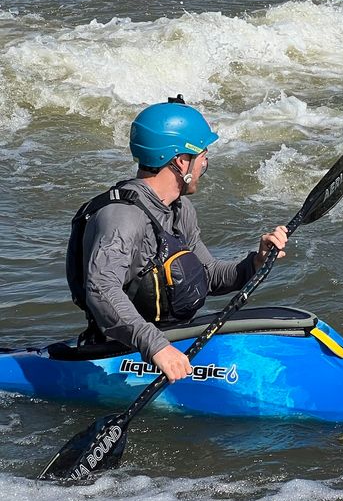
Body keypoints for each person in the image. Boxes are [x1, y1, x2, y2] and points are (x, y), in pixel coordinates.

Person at [66, 97, 288, 382]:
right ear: (182, 161)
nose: (205, 164)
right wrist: (156, 346)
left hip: (170, 341)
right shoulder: (122, 216)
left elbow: (208, 277)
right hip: (124, 352)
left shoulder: (179, 209)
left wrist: (255, 262)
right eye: (203, 156)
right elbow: (101, 289)